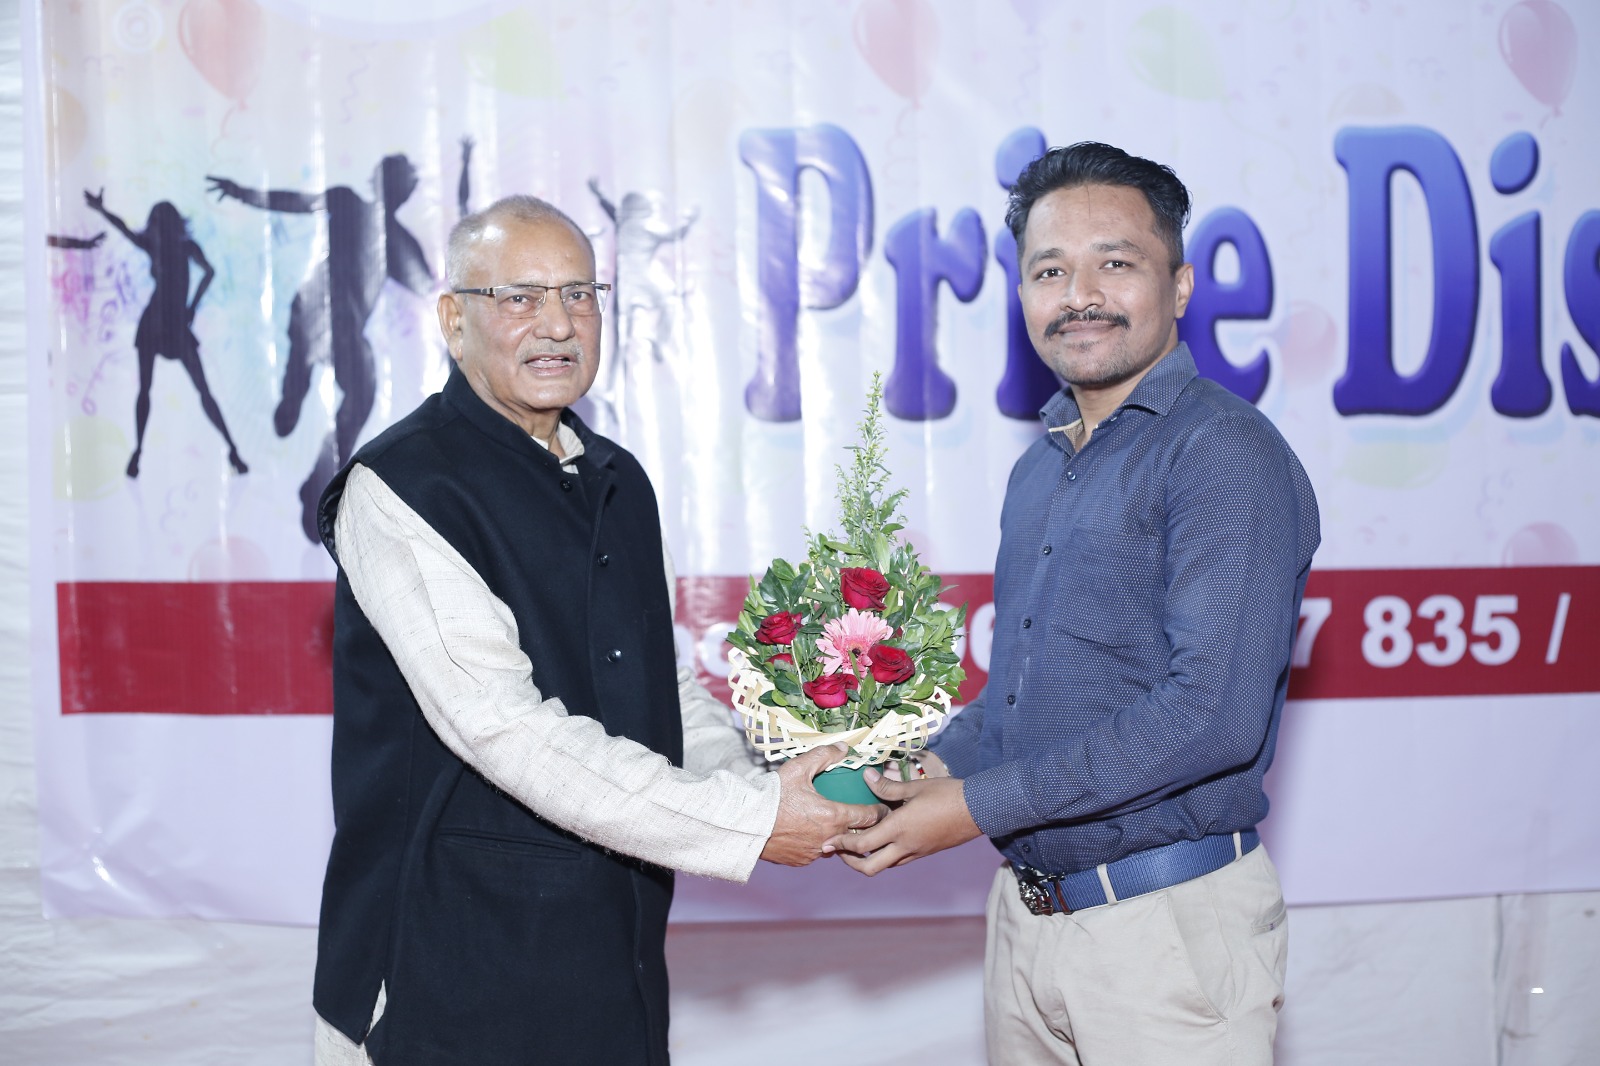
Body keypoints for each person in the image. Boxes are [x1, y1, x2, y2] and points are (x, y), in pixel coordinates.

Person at [311, 194, 877, 1065]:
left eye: (579, 294)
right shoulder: (403, 487)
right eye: (519, 297)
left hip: (611, 964)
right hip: (445, 968)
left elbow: (662, 689)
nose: (557, 324)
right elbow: (506, 731)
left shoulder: (617, 477)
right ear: (454, 320)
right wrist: (750, 822)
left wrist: (770, 789)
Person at [832, 142, 1321, 1065]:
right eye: (1050, 270)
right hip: (1025, 920)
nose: (1080, 295)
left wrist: (976, 807)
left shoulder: (1222, 452)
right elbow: (1023, 704)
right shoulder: (1041, 467)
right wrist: (912, 770)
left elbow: (1210, 715)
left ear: (1179, 286)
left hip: (1164, 935)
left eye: (1116, 263)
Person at [206, 153, 437, 541]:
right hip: (312, 311)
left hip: (346, 328)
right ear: (382, 182)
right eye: (399, 181)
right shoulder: (347, 200)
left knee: (362, 394)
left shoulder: (397, 241)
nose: (403, 190)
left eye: (407, 185)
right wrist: (245, 194)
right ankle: (294, 391)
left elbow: (429, 288)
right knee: (316, 386)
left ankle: (322, 479)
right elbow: (295, 202)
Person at [83, 190, 247, 479]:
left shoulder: (178, 247)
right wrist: (102, 210)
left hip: (171, 323)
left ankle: (232, 449)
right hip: (156, 323)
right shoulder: (161, 246)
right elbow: (125, 229)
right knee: (151, 390)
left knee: (197, 390)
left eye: (159, 222)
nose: (157, 227)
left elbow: (209, 272)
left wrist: (192, 307)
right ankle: (138, 452)